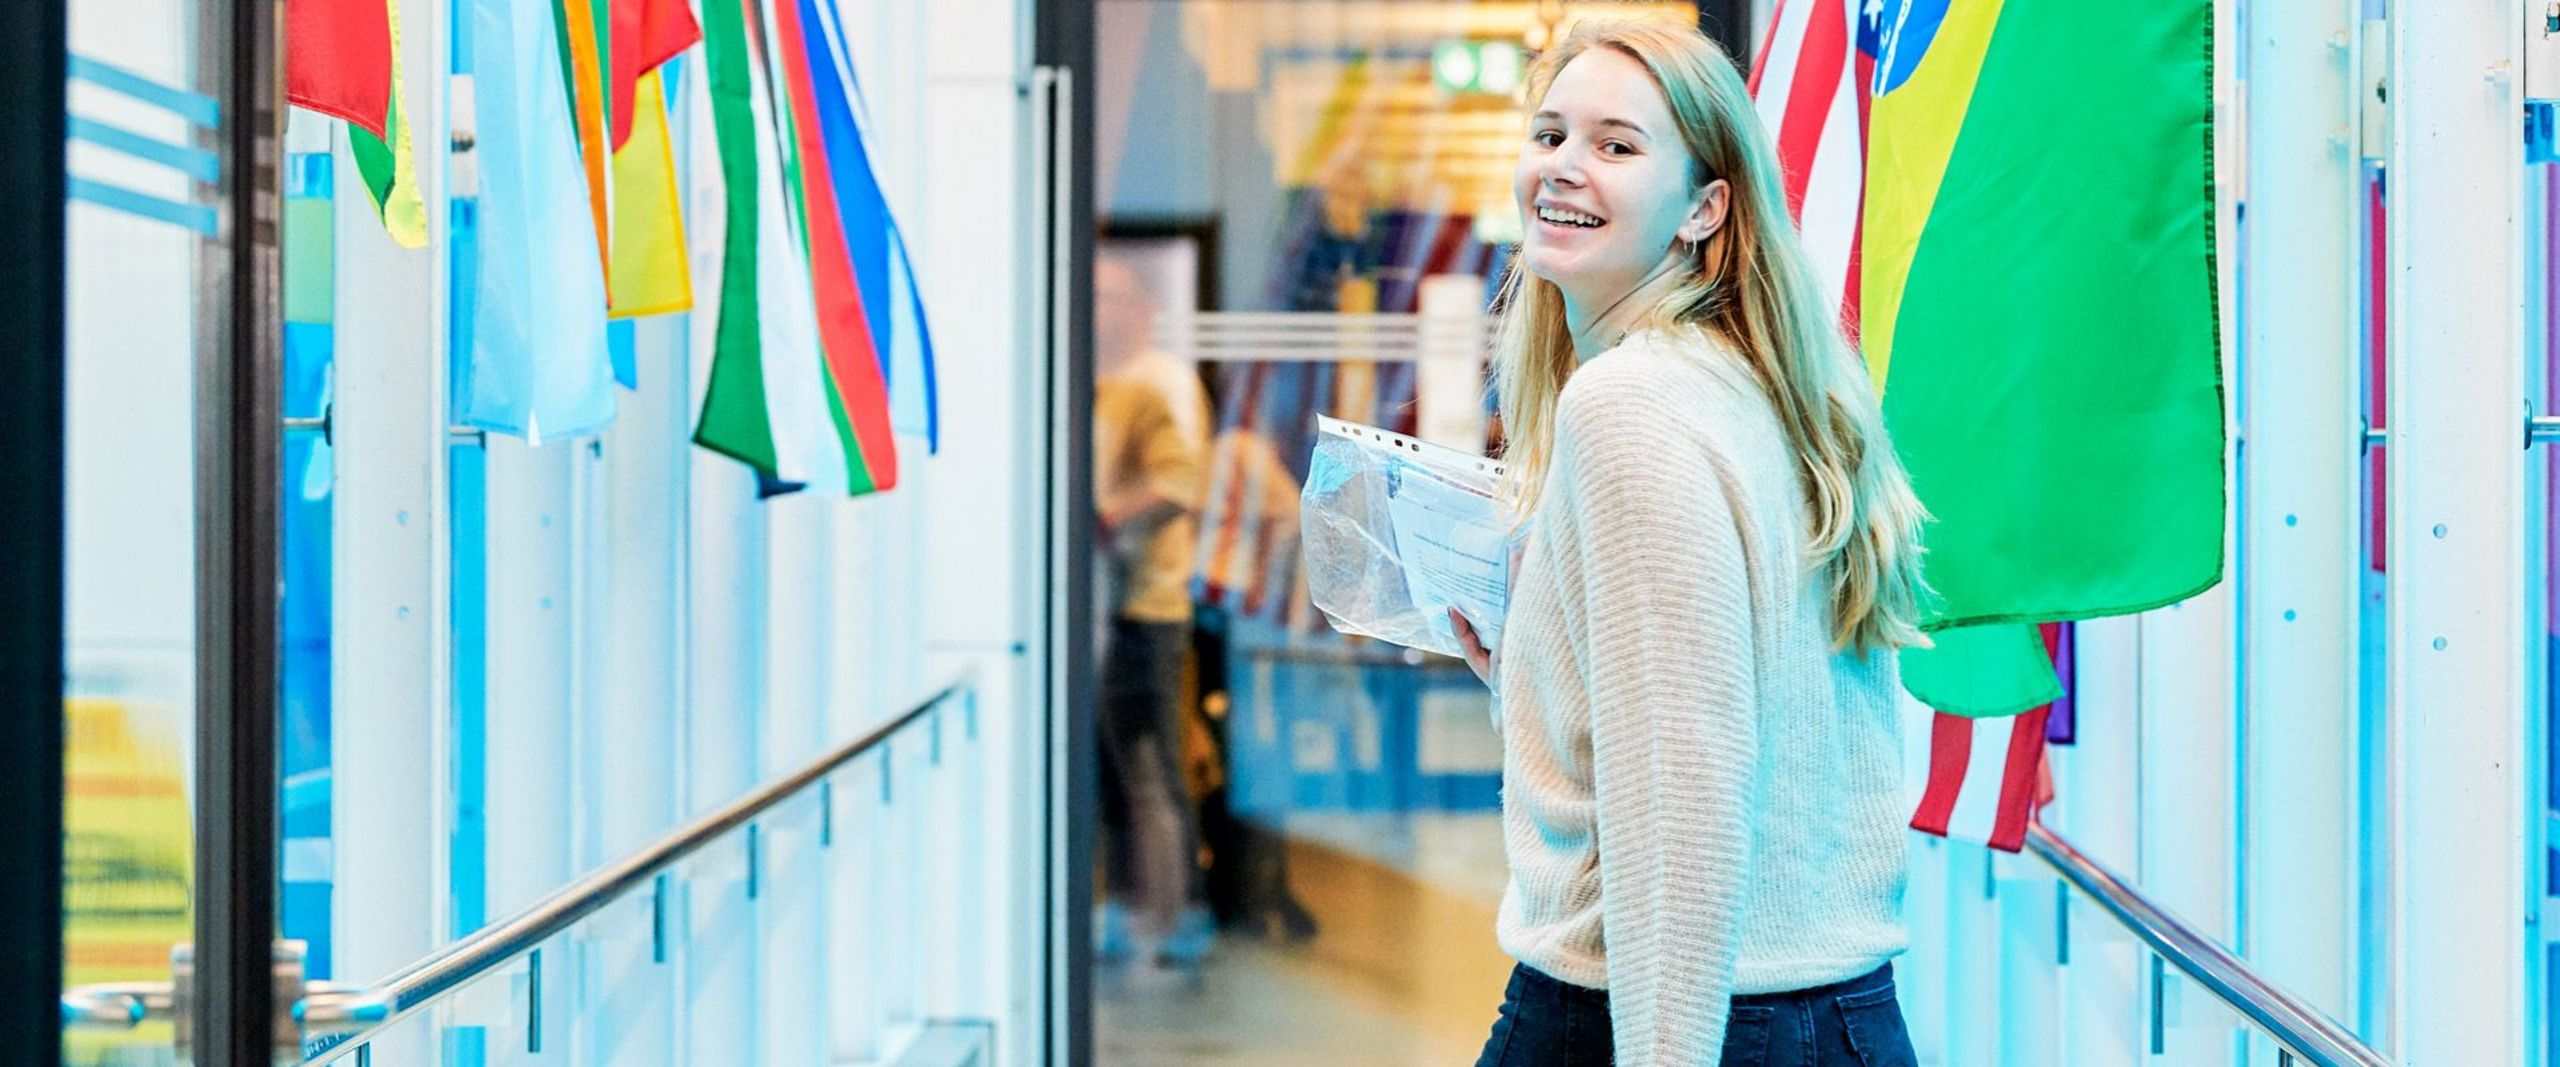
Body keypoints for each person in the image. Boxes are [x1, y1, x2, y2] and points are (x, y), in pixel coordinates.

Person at [1447, 20, 1933, 1066]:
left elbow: (1685, 784)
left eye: (1617, 146)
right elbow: (1755, 708)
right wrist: (1532, 668)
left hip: (1671, 1011)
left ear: (1704, 207)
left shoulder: (1628, 403)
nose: (1563, 167)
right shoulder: (1754, 382)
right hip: (1830, 1013)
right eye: (1549, 134)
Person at [1091, 258, 1217, 970]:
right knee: (1116, 768)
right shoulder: (1111, 382)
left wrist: (1104, 520)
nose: (1098, 308)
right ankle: (1132, 909)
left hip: (1144, 606)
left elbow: (1179, 481)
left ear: (1140, 307)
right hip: (1109, 608)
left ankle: (1176, 916)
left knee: (1148, 768)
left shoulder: (1158, 380)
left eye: (1111, 295)